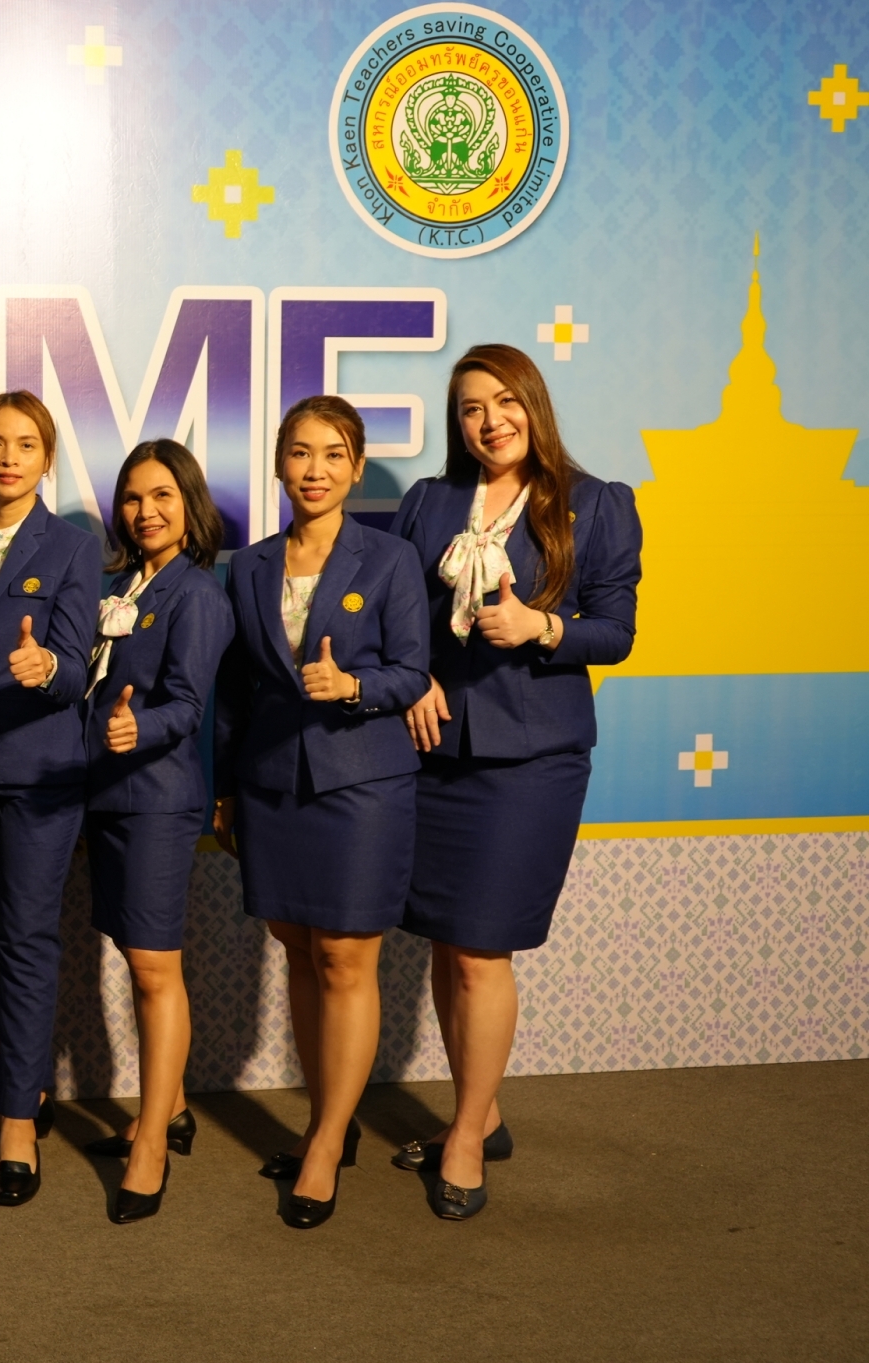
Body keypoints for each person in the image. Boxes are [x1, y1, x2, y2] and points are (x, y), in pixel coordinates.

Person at [388, 345, 641, 1220]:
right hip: (434, 751)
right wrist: (412, 677)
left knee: (482, 947)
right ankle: (482, 1111)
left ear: (533, 402)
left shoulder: (595, 502)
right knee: (445, 941)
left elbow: (617, 631)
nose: (490, 421)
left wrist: (543, 626)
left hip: (532, 758)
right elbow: (395, 614)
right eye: (471, 408)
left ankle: (465, 1138)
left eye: (504, 401)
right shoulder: (428, 502)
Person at [213, 395, 428, 1230]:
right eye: (301, 453)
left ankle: (329, 1139)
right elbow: (236, 690)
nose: (315, 470)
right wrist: (226, 785)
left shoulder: (391, 558)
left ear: (357, 465)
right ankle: (324, 1120)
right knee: (299, 949)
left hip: (361, 784)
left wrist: (355, 685)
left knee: (345, 956)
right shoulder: (250, 565)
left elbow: (412, 672)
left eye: (334, 454)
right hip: (272, 784)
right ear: (279, 463)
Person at [0, 392, 101, 1207]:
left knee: (27, 939)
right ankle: (26, 1086)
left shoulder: (71, 546)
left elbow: (74, 666)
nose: (8, 458)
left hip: (37, 771)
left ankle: (16, 1125)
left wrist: (49, 669)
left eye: (26, 444)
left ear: (47, 457)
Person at [80, 439, 233, 1224]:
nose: (146, 511)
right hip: (107, 794)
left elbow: (187, 704)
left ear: (190, 504)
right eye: (134, 497)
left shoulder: (196, 594)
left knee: (153, 966)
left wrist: (141, 727)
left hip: (157, 797)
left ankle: (151, 1143)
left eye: (163, 495)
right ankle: (167, 1109)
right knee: (136, 954)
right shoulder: (119, 586)